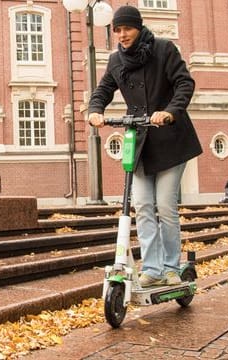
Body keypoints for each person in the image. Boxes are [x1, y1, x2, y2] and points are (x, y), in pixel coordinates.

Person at [87, 6, 202, 287]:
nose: (122, 35)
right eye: (117, 30)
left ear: (139, 27)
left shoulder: (163, 49)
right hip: (140, 142)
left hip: (171, 139)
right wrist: (95, 110)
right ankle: (152, 267)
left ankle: (171, 267)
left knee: (165, 204)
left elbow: (184, 84)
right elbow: (103, 90)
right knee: (143, 205)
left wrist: (170, 111)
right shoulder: (116, 61)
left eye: (127, 28)